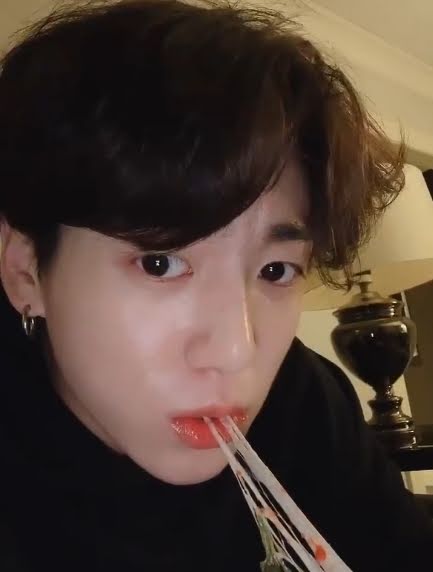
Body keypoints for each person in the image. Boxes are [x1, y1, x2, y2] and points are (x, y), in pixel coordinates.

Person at [0, 1, 431, 570]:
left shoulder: (303, 404)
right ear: (26, 270)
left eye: (275, 271)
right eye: (160, 264)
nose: (234, 352)